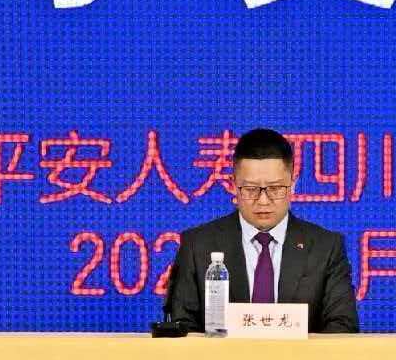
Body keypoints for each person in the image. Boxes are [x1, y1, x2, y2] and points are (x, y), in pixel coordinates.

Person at [155, 128, 361, 334]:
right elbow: (183, 329)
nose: (263, 201)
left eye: (275, 188)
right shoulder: (197, 245)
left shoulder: (326, 248)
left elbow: (342, 327)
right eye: (251, 189)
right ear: (233, 185)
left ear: (293, 184)